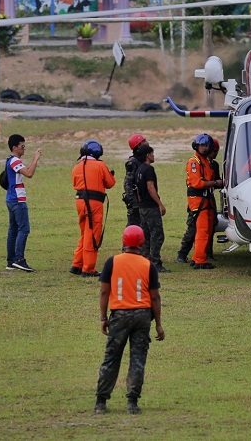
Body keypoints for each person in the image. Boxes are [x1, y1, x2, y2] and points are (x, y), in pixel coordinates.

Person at [93, 225, 165, 415]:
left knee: (112, 358)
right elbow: (155, 297)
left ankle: (101, 402)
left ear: (124, 242)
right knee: (138, 358)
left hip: (120, 315)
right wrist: (158, 324)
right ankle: (132, 402)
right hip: (142, 316)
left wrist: (103, 317)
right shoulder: (148, 265)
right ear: (141, 243)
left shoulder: (112, 262)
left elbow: (104, 291)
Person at [71, 140, 116, 277]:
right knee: (92, 235)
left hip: (79, 202)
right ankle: (88, 268)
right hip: (94, 203)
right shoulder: (100, 165)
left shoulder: (77, 167)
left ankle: (77, 264)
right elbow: (110, 183)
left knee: (85, 233)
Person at [176, 136, 220, 264]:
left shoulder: (208, 163)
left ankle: (204, 255)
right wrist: (214, 183)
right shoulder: (194, 162)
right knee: (197, 230)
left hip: (207, 199)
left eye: (207, 146)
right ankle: (192, 257)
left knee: (208, 228)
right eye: (203, 146)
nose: (205, 148)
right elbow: (197, 183)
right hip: (198, 200)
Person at [5, 133, 41, 272]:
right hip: (17, 200)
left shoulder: (10, 160)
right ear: (15, 147)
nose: (24, 149)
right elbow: (29, 173)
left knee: (13, 230)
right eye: (22, 146)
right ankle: (19, 259)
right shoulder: (15, 161)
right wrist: (35, 159)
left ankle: (11, 261)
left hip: (11, 199)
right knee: (24, 229)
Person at [135, 145, 169, 273]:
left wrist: (140, 202)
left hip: (142, 206)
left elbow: (137, 189)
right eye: (152, 153)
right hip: (150, 206)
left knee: (145, 235)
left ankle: (145, 261)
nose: (153, 156)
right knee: (157, 235)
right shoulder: (149, 169)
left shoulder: (139, 169)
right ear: (147, 155)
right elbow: (150, 187)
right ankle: (155, 263)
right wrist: (160, 204)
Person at [123, 134, 149, 227]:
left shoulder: (143, 160)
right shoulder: (133, 163)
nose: (147, 142)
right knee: (133, 226)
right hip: (135, 201)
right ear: (139, 145)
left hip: (143, 199)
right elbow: (127, 184)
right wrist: (134, 203)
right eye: (144, 141)